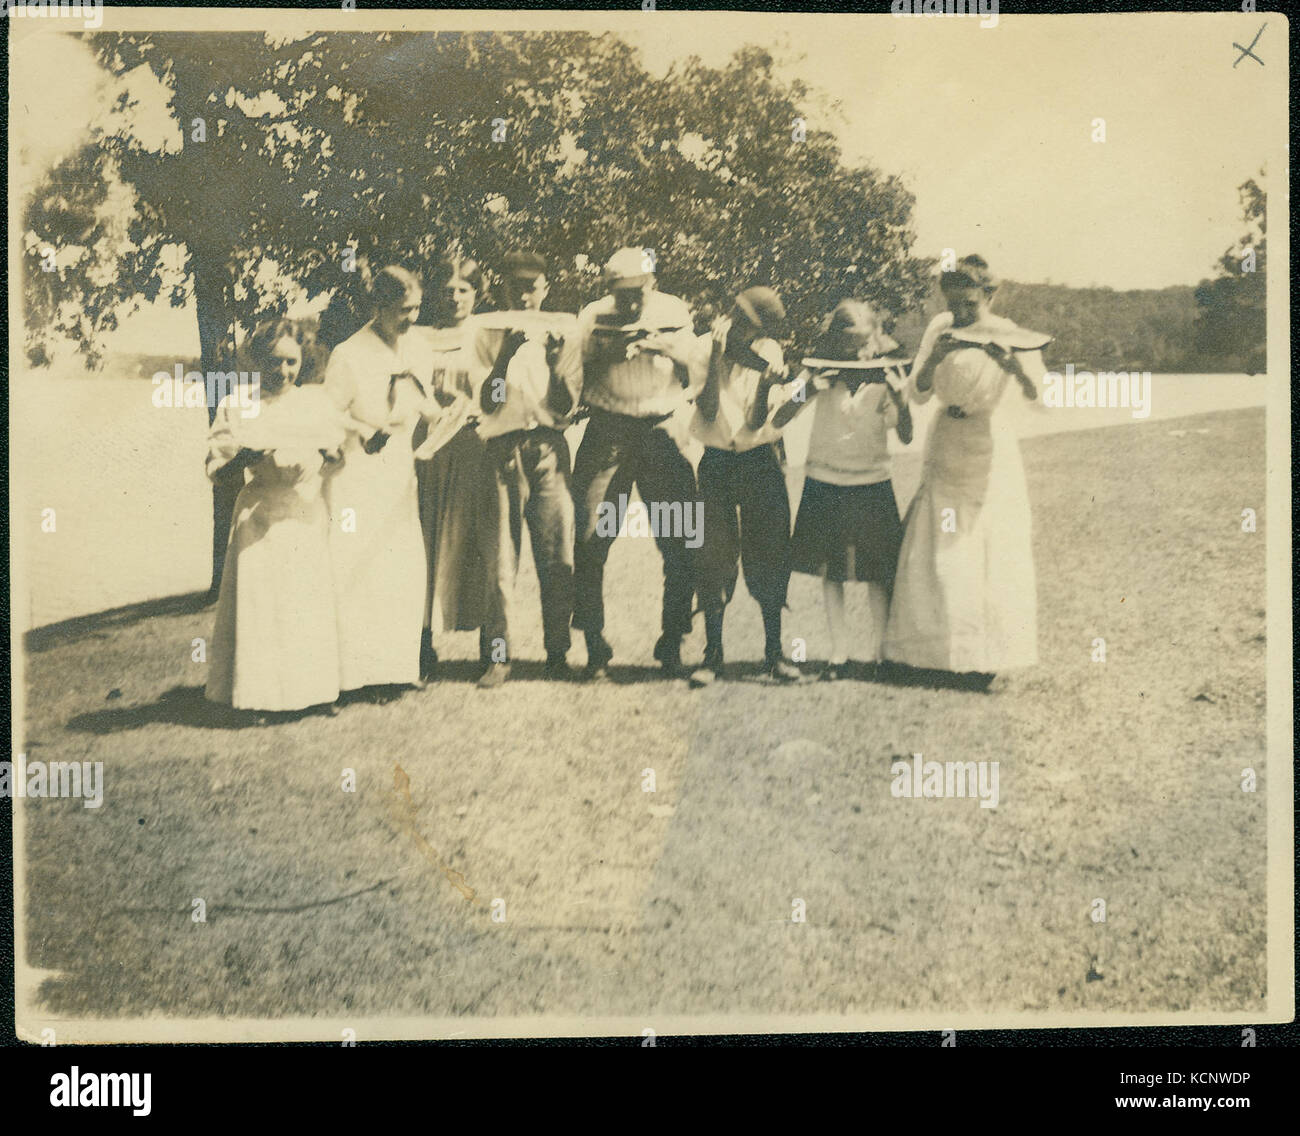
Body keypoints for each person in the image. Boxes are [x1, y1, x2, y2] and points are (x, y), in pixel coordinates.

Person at [882, 255, 1043, 685]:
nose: (961, 312)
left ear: (990, 295)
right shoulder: (940, 327)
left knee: (985, 549)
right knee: (940, 546)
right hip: (946, 444)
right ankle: (930, 655)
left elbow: (1039, 396)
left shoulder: (1008, 333)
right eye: (954, 303)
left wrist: (1011, 365)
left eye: (970, 304)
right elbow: (916, 394)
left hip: (989, 444)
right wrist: (935, 358)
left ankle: (981, 659)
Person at [571, 247, 709, 681]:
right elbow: (574, 374)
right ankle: (594, 643)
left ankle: (672, 640)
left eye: (639, 291)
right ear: (608, 287)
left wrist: (666, 346)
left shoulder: (672, 309)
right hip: (607, 430)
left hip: (661, 430)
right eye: (622, 293)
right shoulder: (592, 314)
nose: (631, 301)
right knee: (592, 538)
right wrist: (608, 354)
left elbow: (697, 369)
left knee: (680, 538)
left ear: (652, 282)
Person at [204, 319, 350, 716]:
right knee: (262, 606)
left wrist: (332, 457)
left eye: (290, 362)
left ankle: (314, 693)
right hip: (259, 514)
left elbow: (335, 461)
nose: (282, 371)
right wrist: (248, 456)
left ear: (302, 361)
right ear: (257, 361)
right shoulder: (238, 405)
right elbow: (218, 471)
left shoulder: (315, 402)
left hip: (303, 509)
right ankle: (256, 697)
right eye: (273, 362)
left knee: (304, 602)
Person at [777, 300, 913, 680]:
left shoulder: (888, 371)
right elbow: (780, 417)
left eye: (864, 341)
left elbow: (906, 434)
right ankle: (838, 656)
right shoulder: (818, 369)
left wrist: (902, 402)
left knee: (876, 573)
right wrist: (809, 389)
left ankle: (881, 656)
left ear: (875, 336)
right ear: (835, 339)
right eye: (849, 342)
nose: (857, 350)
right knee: (831, 573)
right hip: (826, 481)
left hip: (872, 481)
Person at [470, 251, 583, 686]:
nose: (523, 294)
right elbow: (487, 402)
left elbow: (564, 406)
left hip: (549, 447)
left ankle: (557, 653)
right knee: (500, 556)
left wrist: (554, 363)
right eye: (515, 286)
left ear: (545, 289)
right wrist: (505, 354)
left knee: (557, 554)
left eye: (532, 286)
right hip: (500, 447)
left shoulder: (565, 333)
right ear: (500, 289)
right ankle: (498, 656)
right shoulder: (484, 331)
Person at [323, 265, 434, 699]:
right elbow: (330, 413)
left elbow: (421, 402)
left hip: (399, 473)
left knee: (398, 567)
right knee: (356, 566)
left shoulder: (420, 348)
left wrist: (446, 417)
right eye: (402, 310)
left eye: (416, 309)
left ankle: (394, 670)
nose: (410, 319)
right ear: (379, 306)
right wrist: (364, 430)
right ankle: (353, 675)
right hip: (358, 472)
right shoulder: (349, 353)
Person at [688, 286, 802, 687]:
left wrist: (767, 386)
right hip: (718, 462)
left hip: (758, 460)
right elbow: (707, 410)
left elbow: (756, 423)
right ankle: (712, 656)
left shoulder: (769, 353)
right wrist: (717, 357)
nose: (742, 331)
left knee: (769, 553)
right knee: (713, 558)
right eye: (740, 321)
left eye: (752, 328)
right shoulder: (704, 348)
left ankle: (774, 654)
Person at [413, 256, 492, 679]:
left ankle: (489, 647)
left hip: (472, 450)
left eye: (464, 288)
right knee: (422, 542)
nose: (455, 296)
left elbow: (499, 386)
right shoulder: (416, 335)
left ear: (477, 294)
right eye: (447, 289)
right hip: (426, 448)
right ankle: (421, 645)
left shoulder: (487, 333)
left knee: (472, 543)